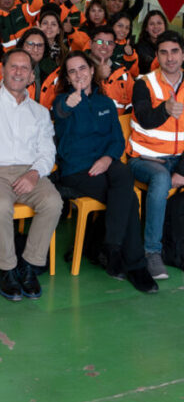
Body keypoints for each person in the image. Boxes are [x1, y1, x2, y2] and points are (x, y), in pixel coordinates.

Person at [53, 52, 157, 293]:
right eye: (72, 71)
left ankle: (109, 246)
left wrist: (107, 158)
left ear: (91, 70)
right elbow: (60, 113)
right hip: (78, 170)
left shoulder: (106, 103)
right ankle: (133, 263)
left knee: (122, 175)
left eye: (82, 68)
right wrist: (68, 105)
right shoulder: (63, 102)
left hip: (105, 165)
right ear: (68, 78)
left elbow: (117, 140)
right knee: (129, 198)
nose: (79, 74)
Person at [0, 50, 62, 301]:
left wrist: (34, 174)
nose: (18, 72)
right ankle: (7, 269)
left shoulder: (40, 112)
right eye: (13, 67)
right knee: (0, 206)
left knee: (53, 202)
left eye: (24, 68)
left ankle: (29, 266)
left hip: (27, 172)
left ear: (32, 76)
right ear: (2, 71)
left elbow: (47, 151)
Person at [126, 31, 184, 281]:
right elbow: (146, 120)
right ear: (156, 56)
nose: (169, 58)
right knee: (160, 179)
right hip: (144, 160)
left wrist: (181, 170)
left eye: (174, 51)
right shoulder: (144, 83)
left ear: (183, 54)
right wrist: (166, 109)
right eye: (163, 52)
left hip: (177, 160)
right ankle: (152, 252)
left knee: (167, 176)